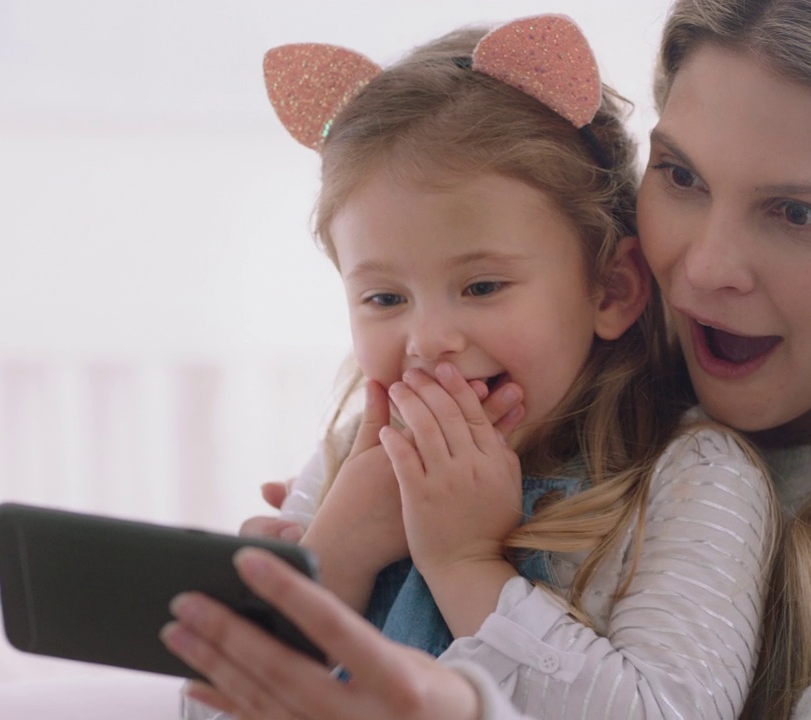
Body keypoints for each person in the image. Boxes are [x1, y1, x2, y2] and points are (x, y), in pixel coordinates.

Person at [162, 1, 811, 718]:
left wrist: (463, 581)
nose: (701, 270)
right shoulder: (517, 394)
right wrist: (324, 561)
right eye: (681, 177)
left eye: (795, 212)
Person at [172, 13, 778, 720]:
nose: (428, 340)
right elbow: (209, 706)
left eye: (482, 287)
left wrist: (464, 565)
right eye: (384, 297)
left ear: (610, 290)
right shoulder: (352, 461)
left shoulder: (693, 478)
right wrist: (332, 557)